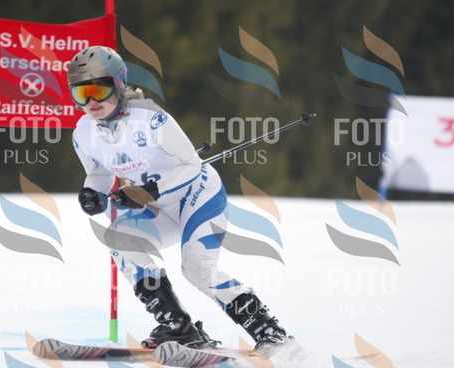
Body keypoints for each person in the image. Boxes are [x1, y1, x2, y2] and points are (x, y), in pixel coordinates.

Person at [67, 46, 289, 351]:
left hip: (198, 196)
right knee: (119, 239)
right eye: (81, 94)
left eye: (99, 90)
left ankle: (271, 333)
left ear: (118, 86)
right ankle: (178, 326)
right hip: (157, 208)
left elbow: (191, 165)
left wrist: (148, 192)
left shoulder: (149, 118)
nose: (91, 102)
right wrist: (92, 192)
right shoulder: (83, 134)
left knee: (197, 268)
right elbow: (99, 172)